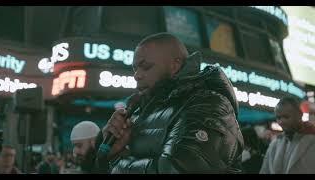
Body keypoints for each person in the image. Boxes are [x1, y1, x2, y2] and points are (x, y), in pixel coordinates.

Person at [97, 32, 244, 174]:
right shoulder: (140, 112)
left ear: (175, 65)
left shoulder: (208, 104)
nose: (137, 75)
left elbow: (176, 169)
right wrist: (109, 153)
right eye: (135, 69)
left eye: (146, 66)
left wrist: (117, 164)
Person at [260, 96, 315, 174]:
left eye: (286, 117)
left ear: (300, 115)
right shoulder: (275, 144)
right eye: (278, 118)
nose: (281, 122)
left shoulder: (312, 139)